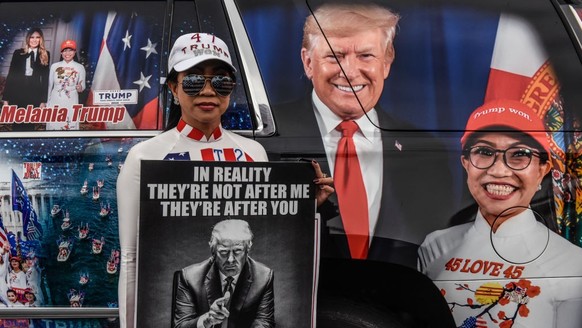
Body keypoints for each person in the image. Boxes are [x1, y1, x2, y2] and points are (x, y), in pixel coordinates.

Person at [117, 32, 330, 328]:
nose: (208, 91)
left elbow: (268, 219)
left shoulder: (253, 152)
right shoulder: (144, 157)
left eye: (221, 81)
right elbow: (130, 260)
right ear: (173, 89)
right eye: (193, 80)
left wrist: (305, 208)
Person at [271, 3, 454, 264]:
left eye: (366, 56)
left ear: (387, 63)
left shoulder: (429, 155)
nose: (350, 71)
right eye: (335, 56)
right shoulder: (267, 138)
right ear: (308, 62)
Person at [418, 99, 582, 327]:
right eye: (484, 152)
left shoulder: (573, 263)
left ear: (542, 170)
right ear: (465, 163)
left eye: (519, 154)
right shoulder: (434, 247)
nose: (498, 170)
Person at [172, 219, 274, 328]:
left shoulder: (264, 277)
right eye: (223, 252)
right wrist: (206, 320)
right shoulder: (189, 277)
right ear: (213, 251)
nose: (230, 259)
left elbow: (264, 323)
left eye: (237, 251)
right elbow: (180, 326)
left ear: (248, 248)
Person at [2, 27, 50, 131]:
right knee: (17, 122)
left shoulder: (45, 54)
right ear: (28, 38)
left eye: (37, 37)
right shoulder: (18, 53)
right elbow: (11, 75)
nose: (34, 40)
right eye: (32, 37)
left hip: (34, 94)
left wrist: (43, 100)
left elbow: (45, 79)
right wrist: (6, 99)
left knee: (30, 123)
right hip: (17, 92)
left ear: (41, 39)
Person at [46, 39, 86, 130]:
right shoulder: (54, 66)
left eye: (70, 50)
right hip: (55, 99)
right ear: (61, 53)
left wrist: (80, 87)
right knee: (54, 123)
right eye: (65, 50)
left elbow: (83, 86)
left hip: (72, 99)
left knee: (70, 123)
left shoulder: (80, 67)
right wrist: (47, 102)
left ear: (75, 52)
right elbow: (49, 86)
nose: (67, 53)